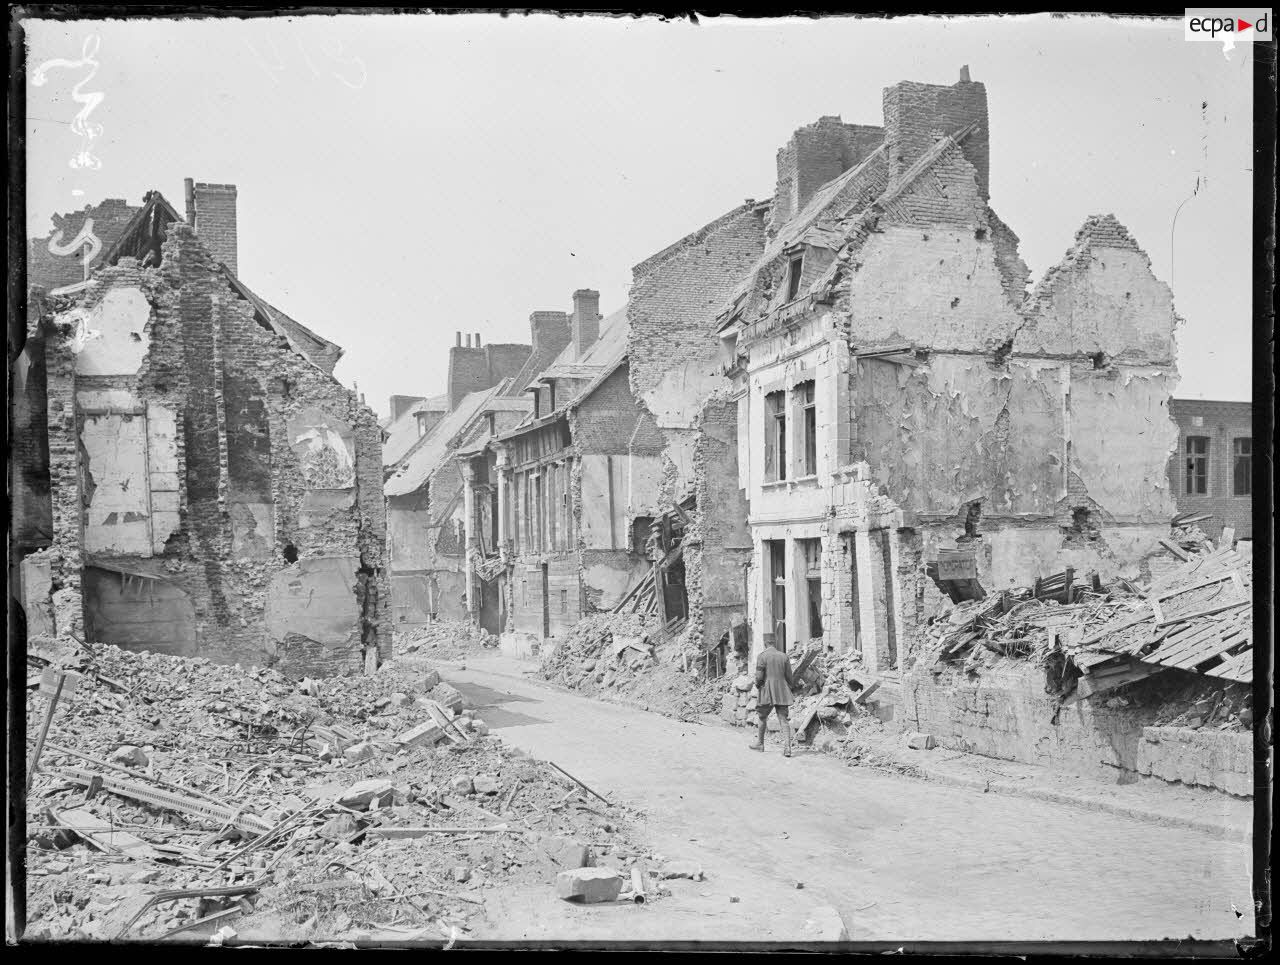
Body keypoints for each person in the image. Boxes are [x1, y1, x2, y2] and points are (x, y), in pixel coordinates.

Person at [749, 636, 796, 756]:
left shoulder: (762, 656)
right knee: (783, 719)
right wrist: (790, 687)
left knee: (762, 717)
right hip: (782, 690)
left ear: (765, 644)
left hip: (767, 689)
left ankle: (760, 743)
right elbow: (789, 676)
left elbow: (759, 676)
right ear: (775, 643)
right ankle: (787, 748)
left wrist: (758, 685)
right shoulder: (784, 656)